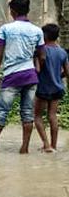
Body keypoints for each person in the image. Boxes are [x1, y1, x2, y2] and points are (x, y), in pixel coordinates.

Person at [0, 0, 45, 154]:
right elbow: (42, 56)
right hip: (31, 77)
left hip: (12, 76)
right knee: (27, 113)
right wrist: (36, 70)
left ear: (12, 11)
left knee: (1, 113)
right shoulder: (37, 31)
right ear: (28, 10)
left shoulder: (6, 29)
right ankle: (24, 149)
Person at [34, 23, 66, 152]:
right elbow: (67, 72)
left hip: (42, 88)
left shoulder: (41, 51)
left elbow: (37, 70)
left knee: (37, 116)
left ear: (44, 36)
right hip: (57, 88)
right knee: (52, 116)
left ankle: (46, 145)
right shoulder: (62, 52)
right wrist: (57, 76)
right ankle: (54, 145)